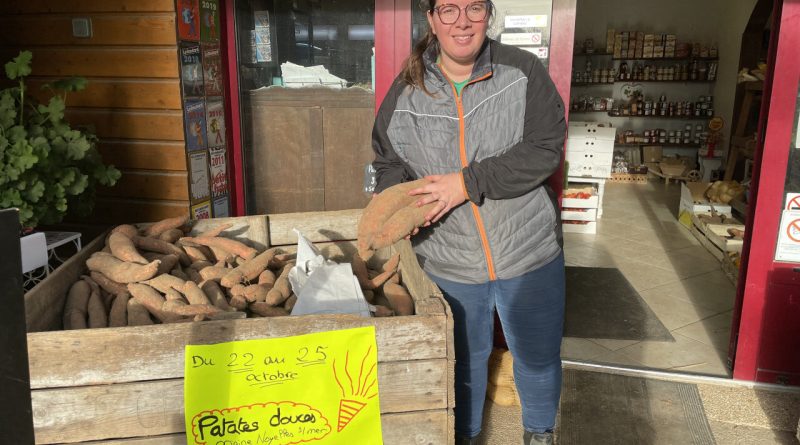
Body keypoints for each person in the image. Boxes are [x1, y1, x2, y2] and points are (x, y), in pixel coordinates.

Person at [370, 1, 566, 444]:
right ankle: (467, 437)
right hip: (448, 260)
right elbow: (388, 160)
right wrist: (398, 200)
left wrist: (466, 182)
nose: (462, 21)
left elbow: (544, 149)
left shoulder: (522, 72)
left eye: (474, 8)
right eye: (449, 9)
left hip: (527, 251)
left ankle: (540, 434)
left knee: (537, 358)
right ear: (432, 19)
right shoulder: (405, 91)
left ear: (488, 15)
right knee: (464, 362)